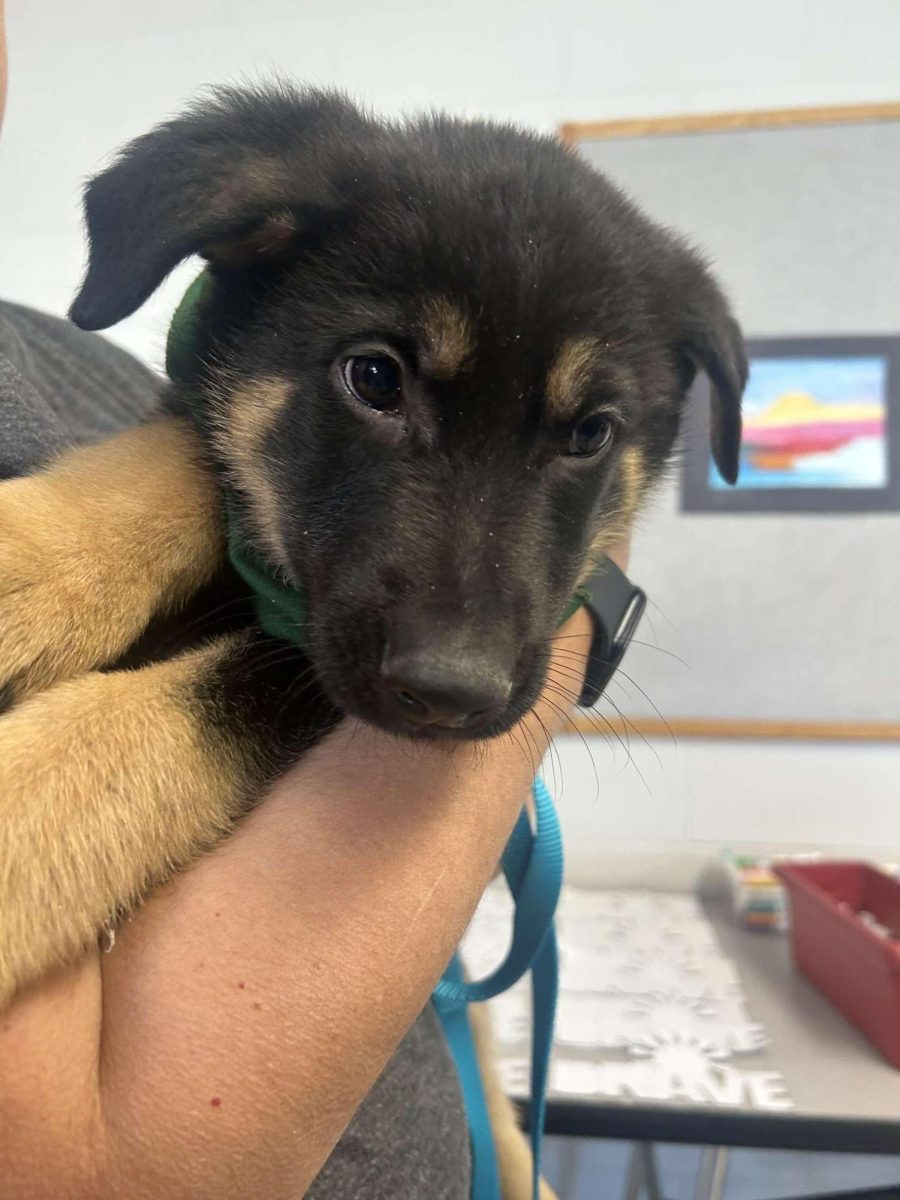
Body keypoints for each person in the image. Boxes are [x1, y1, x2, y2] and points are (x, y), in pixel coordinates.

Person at [0, 10, 616, 1198]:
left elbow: (255, 545)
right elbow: (109, 1170)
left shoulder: (97, 369)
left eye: (586, 431)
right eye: (380, 379)